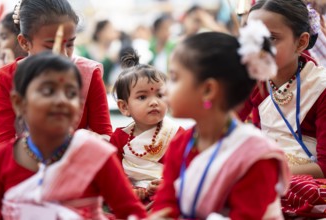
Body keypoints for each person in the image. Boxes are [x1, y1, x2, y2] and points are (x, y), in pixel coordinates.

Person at [151, 25, 290, 218]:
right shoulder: (182, 143)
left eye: (174, 78)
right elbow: (165, 205)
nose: (164, 90)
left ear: (208, 90)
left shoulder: (255, 156)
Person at [0, 52, 146, 220]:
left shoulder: (95, 154)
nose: (61, 100)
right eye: (48, 91)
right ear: (19, 103)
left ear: (79, 105)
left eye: (71, 93)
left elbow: (132, 214)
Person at [238, 0, 326, 216]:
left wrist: (265, 172)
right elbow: (222, 128)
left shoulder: (321, 87)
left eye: (271, 39)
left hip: (305, 180)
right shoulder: (253, 82)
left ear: (301, 42)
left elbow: (324, 167)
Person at [0, 0, 112, 151]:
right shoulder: (5, 79)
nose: (62, 54)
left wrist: (85, 141)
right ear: (24, 42)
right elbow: (1, 149)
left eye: (70, 44)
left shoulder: (88, 73)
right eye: (50, 46)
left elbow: (106, 137)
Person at [110, 49, 183, 203]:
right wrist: (129, 190)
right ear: (124, 107)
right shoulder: (119, 138)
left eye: (160, 95)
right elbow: (112, 174)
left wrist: (168, 184)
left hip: (167, 196)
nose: (154, 102)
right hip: (131, 200)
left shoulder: (176, 134)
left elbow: (185, 170)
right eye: (142, 97)